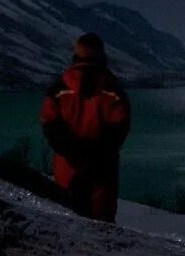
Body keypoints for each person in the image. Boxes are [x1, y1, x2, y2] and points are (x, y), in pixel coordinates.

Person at [39, 33, 131, 221]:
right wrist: (95, 154)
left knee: (67, 219)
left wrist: (72, 151)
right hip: (102, 169)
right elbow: (118, 129)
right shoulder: (113, 92)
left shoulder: (57, 91)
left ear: (75, 57)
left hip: (67, 167)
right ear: (102, 57)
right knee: (101, 226)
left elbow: (50, 124)